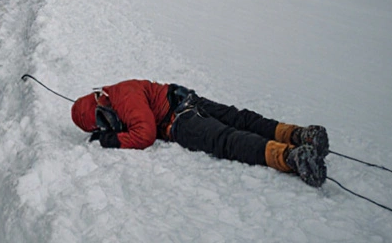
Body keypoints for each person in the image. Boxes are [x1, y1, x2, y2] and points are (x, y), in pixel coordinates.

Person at [71, 80, 329, 187]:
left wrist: (109, 140)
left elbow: (144, 135)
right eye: (100, 126)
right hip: (186, 100)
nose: (106, 125)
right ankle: (297, 135)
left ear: (97, 102)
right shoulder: (116, 94)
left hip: (180, 120)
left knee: (225, 139)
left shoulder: (122, 98)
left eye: (100, 120)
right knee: (241, 119)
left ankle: (290, 157)